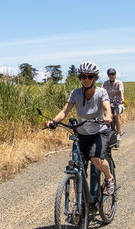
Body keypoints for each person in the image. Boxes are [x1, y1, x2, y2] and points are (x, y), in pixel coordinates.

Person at [44, 60, 116, 196]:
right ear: (80, 78)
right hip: (82, 133)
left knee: (96, 160)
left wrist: (108, 116)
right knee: (77, 167)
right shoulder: (75, 93)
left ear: (95, 78)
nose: (87, 79)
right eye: (84, 76)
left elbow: (107, 108)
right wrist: (53, 121)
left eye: (90, 77)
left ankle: (109, 178)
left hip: (98, 132)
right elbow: (65, 111)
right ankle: (81, 204)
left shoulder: (101, 92)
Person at [102, 68, 125, 146]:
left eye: (113, 74)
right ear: (108, 76)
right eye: (110, 75)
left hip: (118, 103)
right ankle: (108, 135)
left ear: (115, 75)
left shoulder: (119, 83)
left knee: (116, 115)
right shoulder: (105, 83)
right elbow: (102, 92)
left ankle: (118, 134)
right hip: (109, 103)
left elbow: (121, 91)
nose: (111, 76)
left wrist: (122, 98)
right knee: (107, 117)